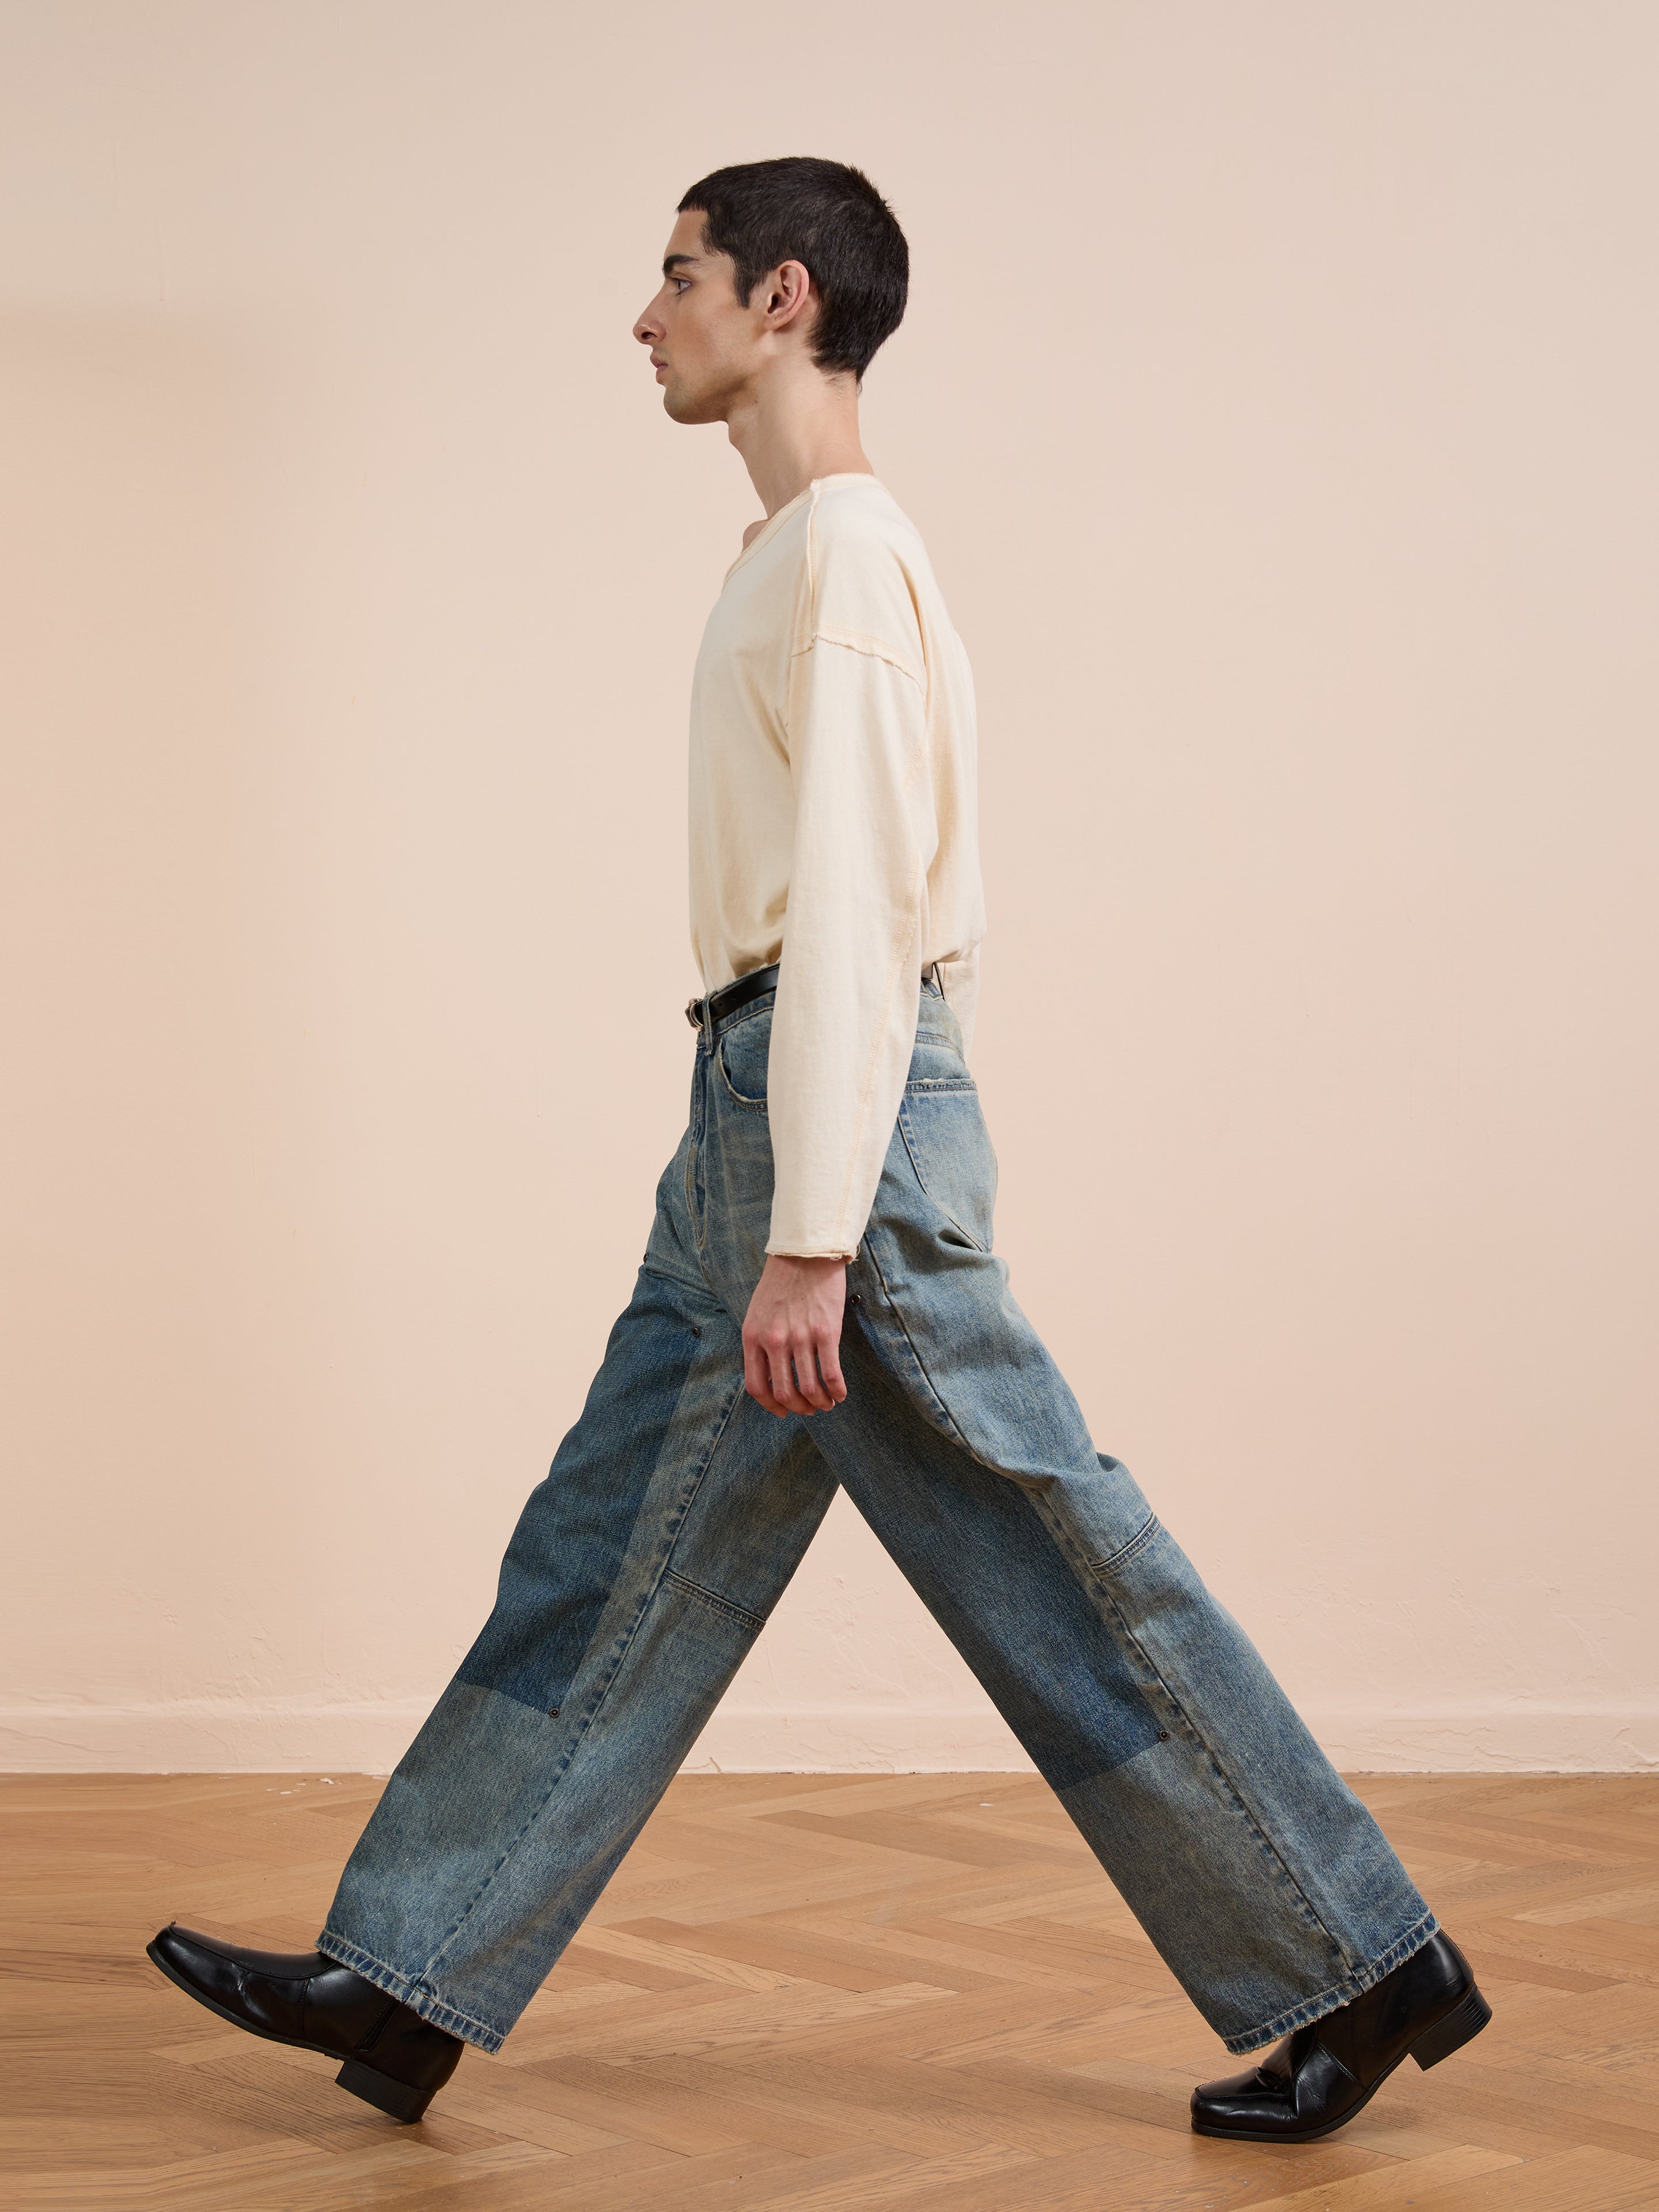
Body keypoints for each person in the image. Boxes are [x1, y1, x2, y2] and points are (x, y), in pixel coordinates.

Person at [146, 155, 1491, 2139]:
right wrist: (768, 1180)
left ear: (783, 298)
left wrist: (813, 1230)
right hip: (764, 1103)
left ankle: (1361, 1962)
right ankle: (413, 1975)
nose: (644, 314)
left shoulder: (847, 552)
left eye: (675, 275)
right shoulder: (786, 559)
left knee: (1050, 1548)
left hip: (831, 1112)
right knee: (609, 1547)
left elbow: (861, 905)